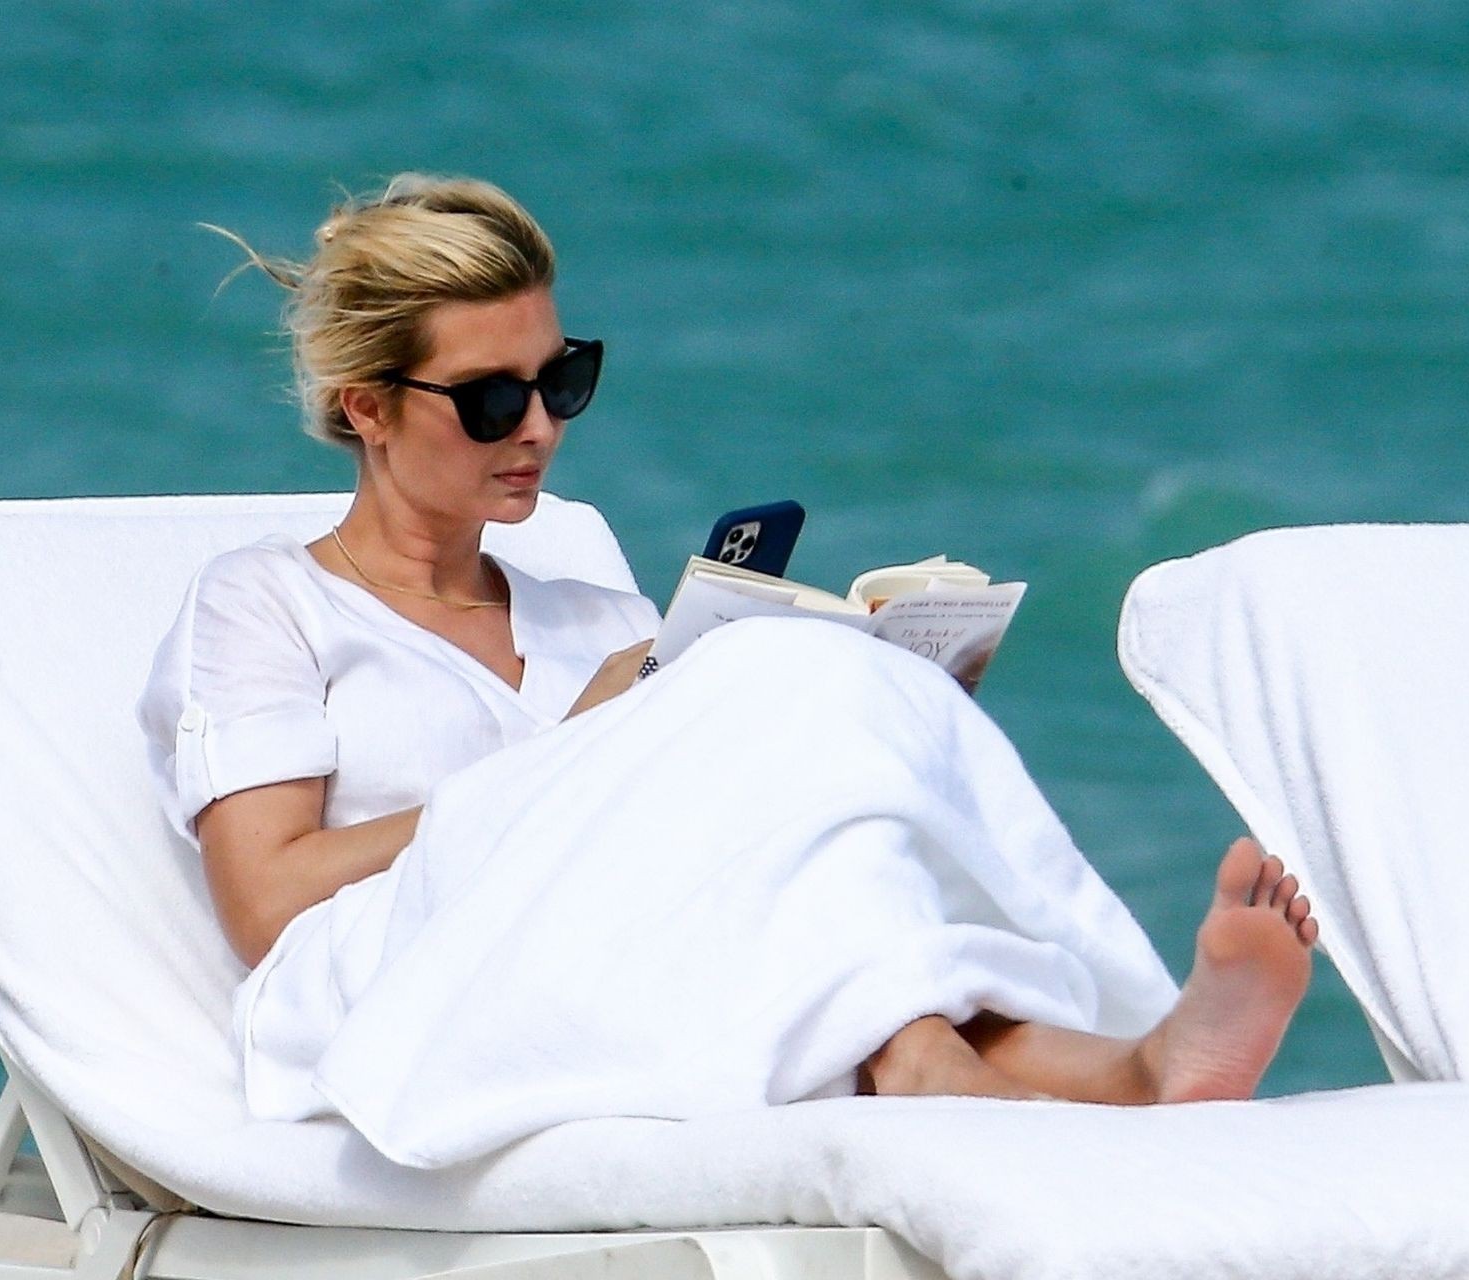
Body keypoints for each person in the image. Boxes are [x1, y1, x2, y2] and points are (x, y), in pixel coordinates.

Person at [137, 174, 1318, 1156]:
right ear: (368, 409)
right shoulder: (267, 602)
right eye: (494, 398)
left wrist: (896, 705)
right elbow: (267, 902)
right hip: (389, 996)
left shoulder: (595, 612)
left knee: (814, 799)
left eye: (564, 379)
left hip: (607, 949)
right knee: (769, 739)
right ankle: (976, 1064)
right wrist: (567, 763)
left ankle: (1130, 1064)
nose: (540, 426)